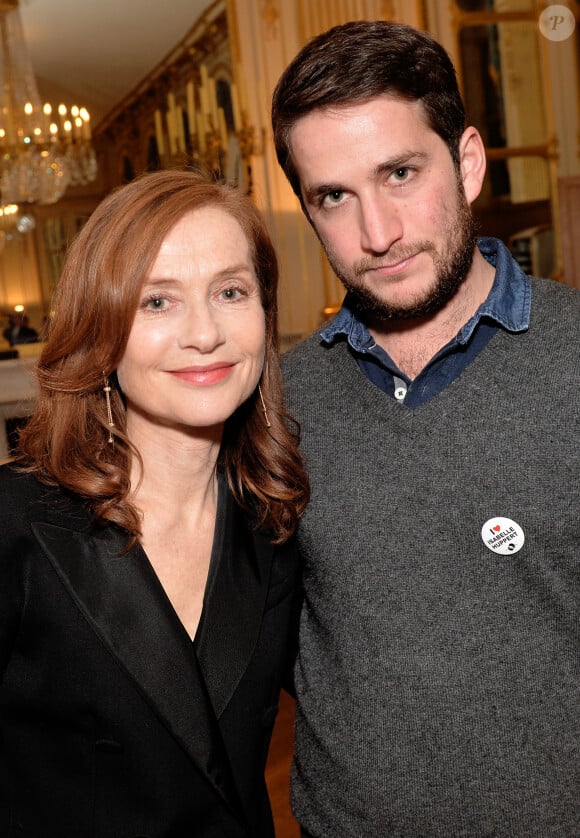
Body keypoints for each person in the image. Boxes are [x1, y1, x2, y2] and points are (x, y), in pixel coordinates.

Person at [271, 20, 580, 838]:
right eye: (333, 196)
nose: (377, 233)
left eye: (401, 173)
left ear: (468, 160)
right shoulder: (277, 403)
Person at [0, 169, 309, 836]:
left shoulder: (275, 519)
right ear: (101, 330)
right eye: (157, 302)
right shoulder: (15, 521)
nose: (204, 334)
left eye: (230, 291)